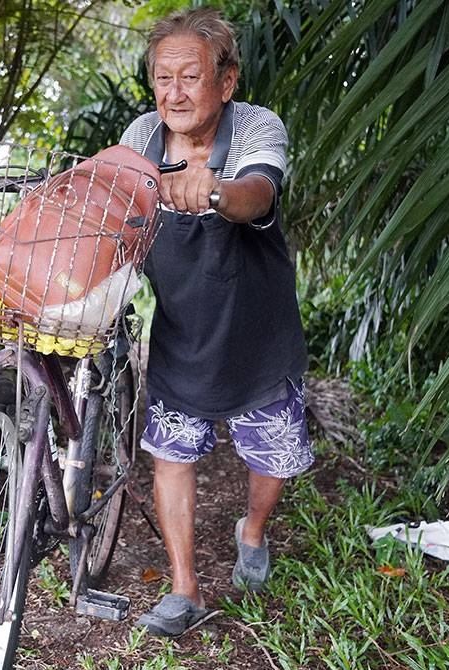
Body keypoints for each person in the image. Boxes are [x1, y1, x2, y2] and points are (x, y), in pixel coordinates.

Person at [119, 7, 314, 637]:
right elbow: (116, 204)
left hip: (259, 335)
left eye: (190, 77)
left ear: (226, 81)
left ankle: (251, 531)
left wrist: (214, 191)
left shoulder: (256, 125)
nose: (173, 93)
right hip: (183, 333)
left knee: (274, 460)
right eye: (163, 78)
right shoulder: (142, 135)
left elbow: (260, 192)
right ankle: (185, 588)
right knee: (170, 455)